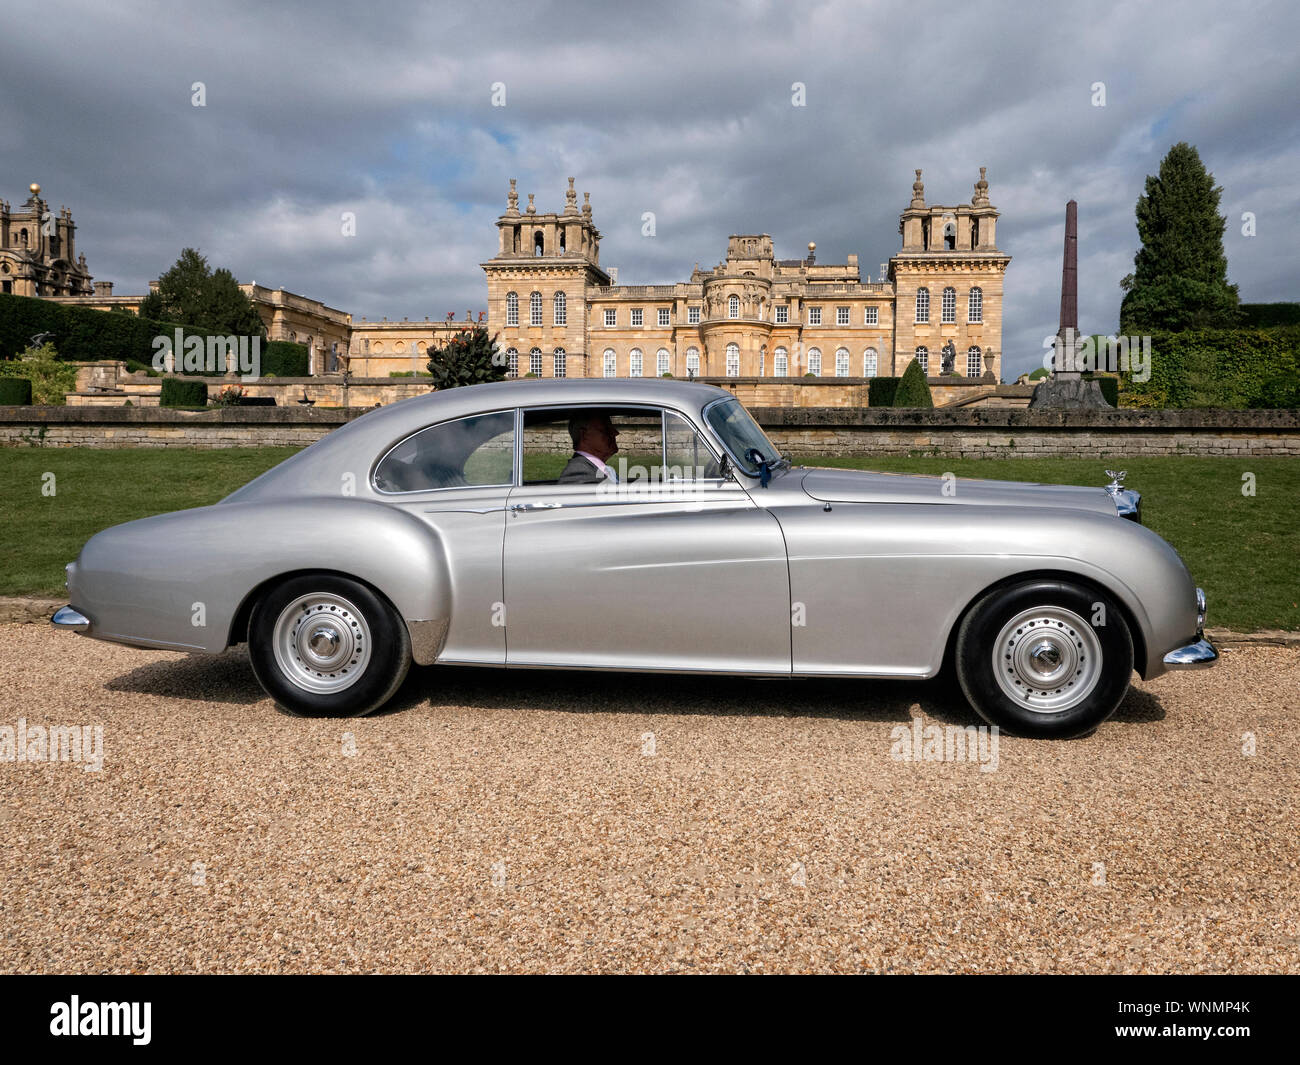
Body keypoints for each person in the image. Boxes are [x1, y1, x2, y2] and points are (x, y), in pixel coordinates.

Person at [559, 412, 620, 483]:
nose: (615, 432)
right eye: (606, 429)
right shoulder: (579, 473)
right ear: (584, 435)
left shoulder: (595, 469)